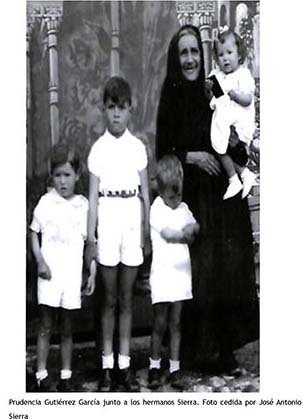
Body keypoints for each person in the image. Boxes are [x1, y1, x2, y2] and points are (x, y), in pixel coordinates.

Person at [156, 24, 259, 375]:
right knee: (196, 271)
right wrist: (193, 156)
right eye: (183, 52)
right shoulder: (171, 94)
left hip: (224, 197)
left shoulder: (214, 85)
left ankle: (226, 349)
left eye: (194, 52)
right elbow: (163, 150)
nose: (189, 59)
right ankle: (192, 350)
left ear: (204, 55)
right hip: (193, 196)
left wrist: (236, 144)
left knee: (229, 267)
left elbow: (235, 123)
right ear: (176, 58)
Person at [86, 76, 150, 391]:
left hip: (131, 217)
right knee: (109, 299)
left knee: (127, 298)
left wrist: (146, 231)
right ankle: (107, 366)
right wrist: (90, 238)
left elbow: (146, 196)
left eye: (121, 108)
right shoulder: (97, 150)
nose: (116, 114)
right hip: (108, 218)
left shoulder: (137, 148)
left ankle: (124, 364)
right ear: (104, 109)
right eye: (111, 108)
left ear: (130, 110)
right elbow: (93, 200)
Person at [30, 144, 96, 392]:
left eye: (67, 175)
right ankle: (41, 374)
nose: (62, 181)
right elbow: (33, 233)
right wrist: (40, 262)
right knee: (46, 325)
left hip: (70, 275)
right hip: (49, 274)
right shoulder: (46, 203)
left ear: (77, 175)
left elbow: (90, 242)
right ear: (52, 177)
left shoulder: (83, 205)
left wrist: (91, 271)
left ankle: (66, 376)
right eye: (57, 175)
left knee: (68, 327)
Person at [148, 155, 199, 390]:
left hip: (181, 275)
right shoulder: (157, 209)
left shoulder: (183, 208)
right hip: (163, 274)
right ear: (160, 190)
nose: (176, 200)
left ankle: (175, 367)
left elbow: (194, 225)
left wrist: (192, 229)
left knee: (176, 323)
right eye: (171, 196)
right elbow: (168, 234)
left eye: (179, 195)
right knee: (160, 322)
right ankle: (154, 365)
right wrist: (185, 235)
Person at [205, 28, 256, 200]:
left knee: (221, 143)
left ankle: (237, 177)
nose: (225, 58)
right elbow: (216, 99)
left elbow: (248, 99)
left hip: (239, 124)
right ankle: (237, 177)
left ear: (239, 55)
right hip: (225, 123)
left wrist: (237, 95)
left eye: (229, 52)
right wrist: (210, 90)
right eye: (220, 55)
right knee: (218, 147)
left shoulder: (243, 74)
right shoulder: (218, 76)